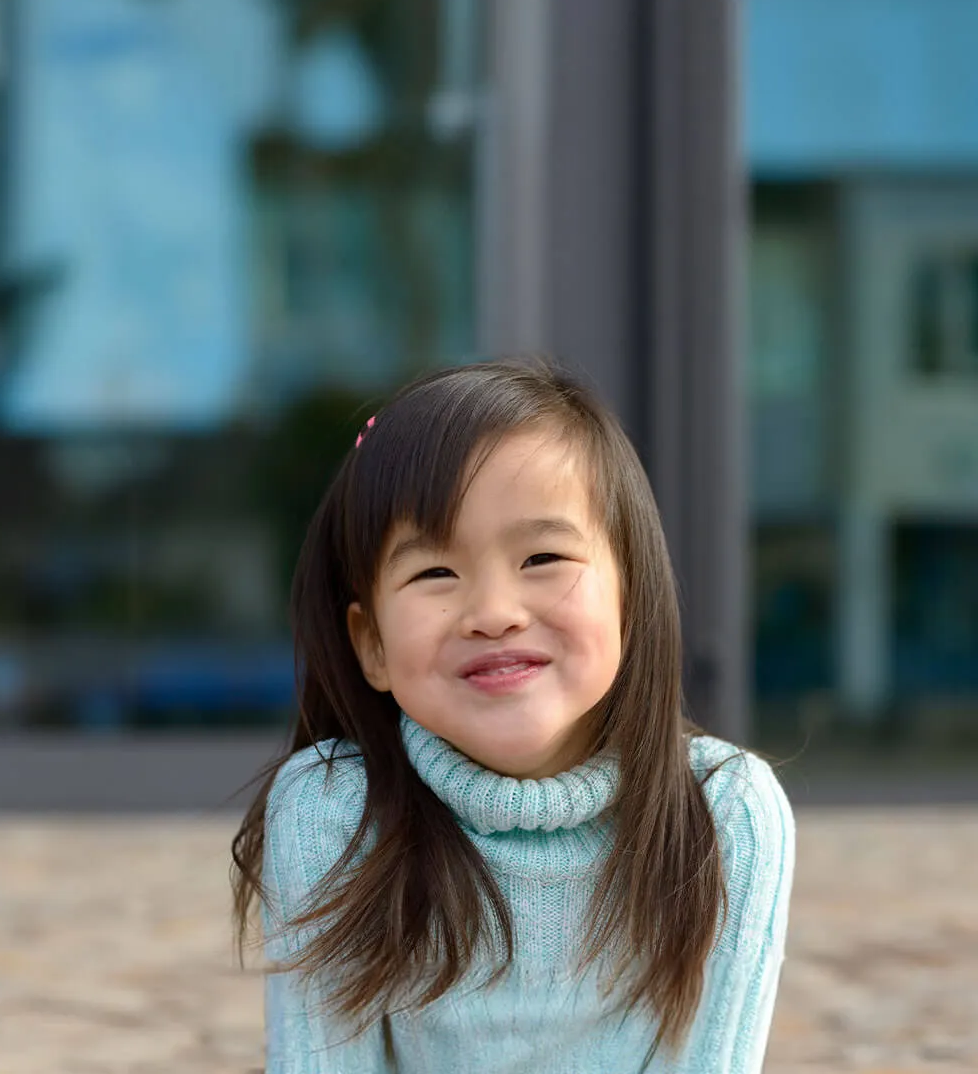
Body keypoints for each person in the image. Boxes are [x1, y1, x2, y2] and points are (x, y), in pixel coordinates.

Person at [229, 360, 794, 1072]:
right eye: (435, 572)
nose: (494, 613)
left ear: (630, 596)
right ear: (372, 644)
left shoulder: (725, 813)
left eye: (543, 557)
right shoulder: (333, 812)